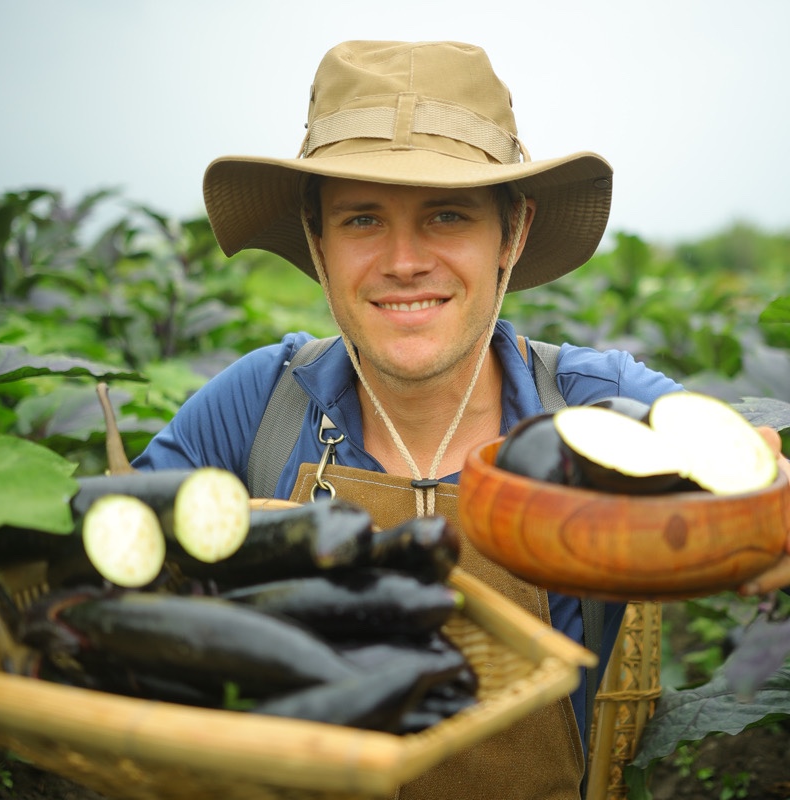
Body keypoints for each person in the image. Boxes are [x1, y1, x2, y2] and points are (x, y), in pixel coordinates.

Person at [133, 40, 790, 799]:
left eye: (447, 215)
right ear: (317, 241)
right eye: (361, 220)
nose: (405, 260)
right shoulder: (260, 402)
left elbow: (750, 477)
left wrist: (769, 506)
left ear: (511, 233)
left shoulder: (597, 401)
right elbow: (98, 554)